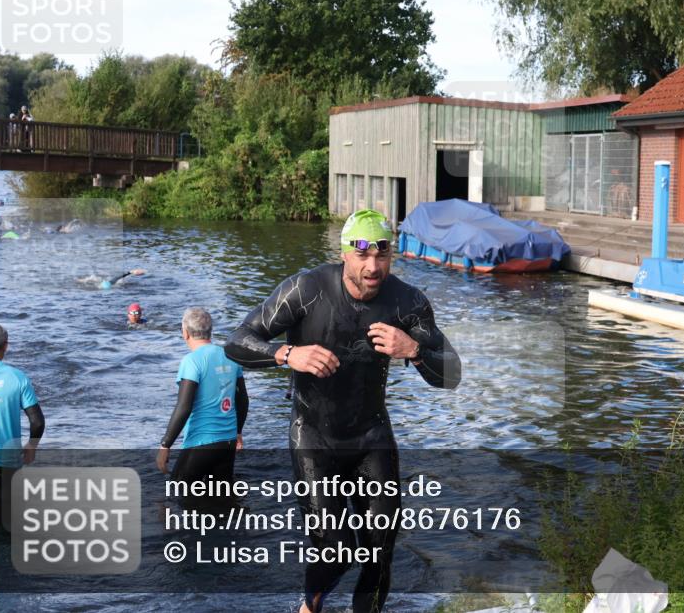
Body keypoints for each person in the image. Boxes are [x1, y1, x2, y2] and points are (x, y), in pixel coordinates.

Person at [224, 209, 461, 613]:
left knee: (380, 550)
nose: (373, 267)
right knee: (335, 548)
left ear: (392, 254)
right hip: (314, 434)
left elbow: (451, 374)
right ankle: (310, 605)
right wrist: (287, 353)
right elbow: (237, 341)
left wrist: (415, 351)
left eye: (382, 255)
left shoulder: (408, 303)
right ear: (345, 253)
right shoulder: (306, 289)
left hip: (371, 436)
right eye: (363, 255)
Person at [157, 308, 248, 508]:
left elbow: (184, 407)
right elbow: (243, 401)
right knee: (223, 502)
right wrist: (238, 432)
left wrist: (165, 445)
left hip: (200, 443)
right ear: (210, 331)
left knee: (173, 497)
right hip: (228, 444)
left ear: (185, 332)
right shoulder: (230, 355)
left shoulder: (191, 361)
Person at [0, 323, 45, 526]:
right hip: (6, 461)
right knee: (6, 519)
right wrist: (32, 446)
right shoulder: (18, 377)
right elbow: (37, 421)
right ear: (6, 346)